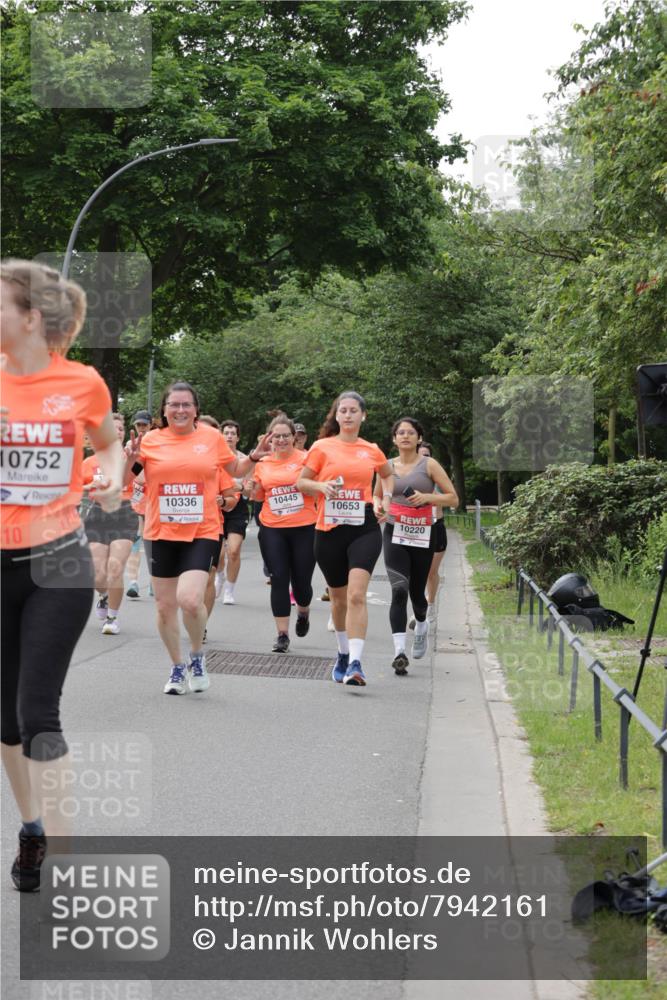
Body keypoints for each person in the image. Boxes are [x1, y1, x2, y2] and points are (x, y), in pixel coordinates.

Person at [1, 259, 124, 891]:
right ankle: (33, 829)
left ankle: (69, 864)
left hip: (59, 560)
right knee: (5, 724)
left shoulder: (81, 383)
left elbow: (108, 444)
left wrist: (112, 479)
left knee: (38, 714)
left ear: (29, 317)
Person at [126, 384, 268, 695]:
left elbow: (235, 468)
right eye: (174, 405)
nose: (180, 410)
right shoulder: (150, 441)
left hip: (201, 529)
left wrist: (254, 457)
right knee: (164, 606)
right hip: (160, 531)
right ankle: (177, 666)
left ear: (195, 409)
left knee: (190, 600)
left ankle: (196, 654)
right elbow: (126, 479)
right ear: (164, 410)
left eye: (186, 405)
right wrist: (129, 459)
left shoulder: (211, 438)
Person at [297, 391, 394, 687]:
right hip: (329, 529)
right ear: (336, 416)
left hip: (363, 527)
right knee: (338, 600)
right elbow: (301, 482)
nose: (348, 415)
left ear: (363, 415)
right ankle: (342, 653)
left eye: (354, 410)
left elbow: (387, 474)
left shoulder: (371, 449)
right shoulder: (322, 447)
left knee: (356, 595)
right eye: (343, 410)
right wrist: (321, 487)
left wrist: (385, 498)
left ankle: (356, 662)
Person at [376, 419, 458, 675]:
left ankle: (422, 625)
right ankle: (399, 652)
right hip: (394, 532)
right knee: (399, 590)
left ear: (419, 438)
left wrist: (428, 497)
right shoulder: (386, 466)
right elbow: (376, 494)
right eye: (400, 432)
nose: (405, 436)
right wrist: (378, 506)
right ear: (394, 439)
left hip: (423, 534)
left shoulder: (429, 465)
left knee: (416, 593)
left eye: (411, 432)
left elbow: (453, 498)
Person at [251, 414, 317, 652]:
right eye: (276, 436)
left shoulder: (307, 459)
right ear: (270, 438)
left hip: (304, 527)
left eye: (286, 436)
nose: (281, 440)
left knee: (301, 583)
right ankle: (282, 635)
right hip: (273, 528)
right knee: (278, 578)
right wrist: (250, 489)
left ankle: (303, 612)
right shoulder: (263, 463)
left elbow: (317, 488)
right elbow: (258, 496)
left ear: (294, 437)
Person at [82, 412, 138, 634]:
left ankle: (112, 619)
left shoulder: (134, 458)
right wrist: (87, 488)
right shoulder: (89, 462)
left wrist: (132, 461)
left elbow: (143, 479)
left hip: (124, 514)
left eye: (121, 429)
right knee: (97, 575)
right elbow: (74, 488)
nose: (117, 432)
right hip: (98, 514)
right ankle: (104, 595)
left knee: (115, 569)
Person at [198, 415, 238, 631]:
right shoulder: (175, 460)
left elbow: (231, 499)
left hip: (210, 528)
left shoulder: (220, 467)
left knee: (207, 577)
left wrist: (223, 501)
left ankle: (201, 625)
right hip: (177, 530)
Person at [218, 419, 249, 605]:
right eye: (226, 433)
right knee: (219, 554)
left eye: (233, 433)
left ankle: (229, 590)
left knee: (234, 550)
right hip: (217, 506)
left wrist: (240, 487)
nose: (229, 436)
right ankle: (220, 575)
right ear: (220, 436)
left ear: (237, 438)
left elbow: (251, 491)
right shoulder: (214, 457)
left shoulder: (245, 460)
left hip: (238, 508)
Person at [125, 410, 153, 599]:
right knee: (135, 542)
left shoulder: (157, 444)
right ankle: (133, 582)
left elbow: (142, 477)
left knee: (153, 544)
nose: (141, 428)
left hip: (154, 500)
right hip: (136, 499)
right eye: (138, 425)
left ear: (151, 425)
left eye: (145, 425)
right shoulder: (130, 446)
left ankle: (154, 581)